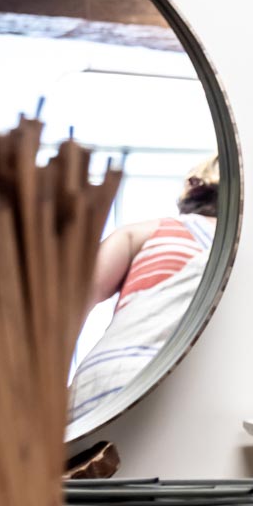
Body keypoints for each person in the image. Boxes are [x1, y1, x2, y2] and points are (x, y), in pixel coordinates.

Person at [68, 158, 218, 422]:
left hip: (105, 379)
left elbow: (72, 300)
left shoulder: (151, 231)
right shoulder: (247, 255)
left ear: (195, 185)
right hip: (183, 392)